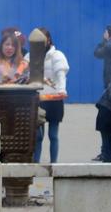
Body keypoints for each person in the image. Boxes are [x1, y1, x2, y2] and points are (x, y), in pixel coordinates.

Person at [34, 28, 69, 165]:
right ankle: (35, 163)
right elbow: (23, 71)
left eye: (44, 38)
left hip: (54, 100)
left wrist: (61, 90)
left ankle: (54, 163)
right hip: (39, 100)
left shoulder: (57, 55)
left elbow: (61, 73)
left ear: (48, 39)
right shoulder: (32, 56)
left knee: (53, 135)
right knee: (38, 136)